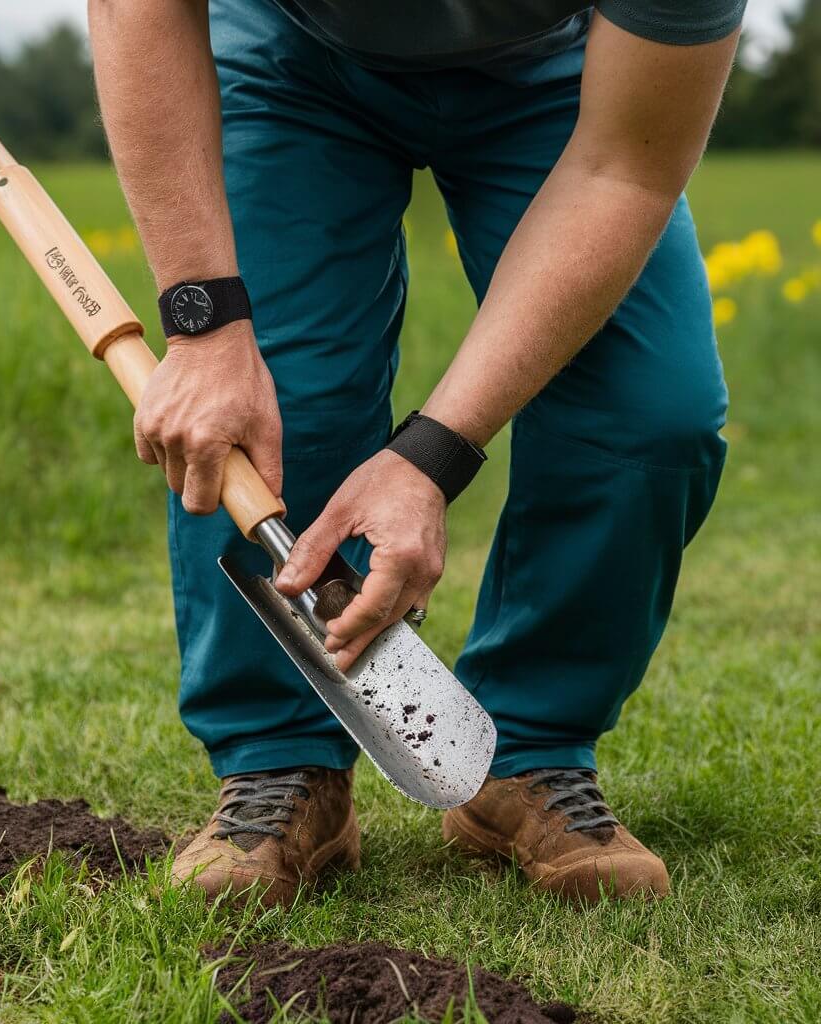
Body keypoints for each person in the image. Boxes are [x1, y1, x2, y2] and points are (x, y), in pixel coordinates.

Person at [88, 0, 741, 905]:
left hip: (558, 78)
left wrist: (430, 457)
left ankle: (526, 756)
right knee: (284, 399)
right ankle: (284, 765)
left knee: (649, 418)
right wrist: (204, 330)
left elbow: (626, 168)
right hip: (292, 64)